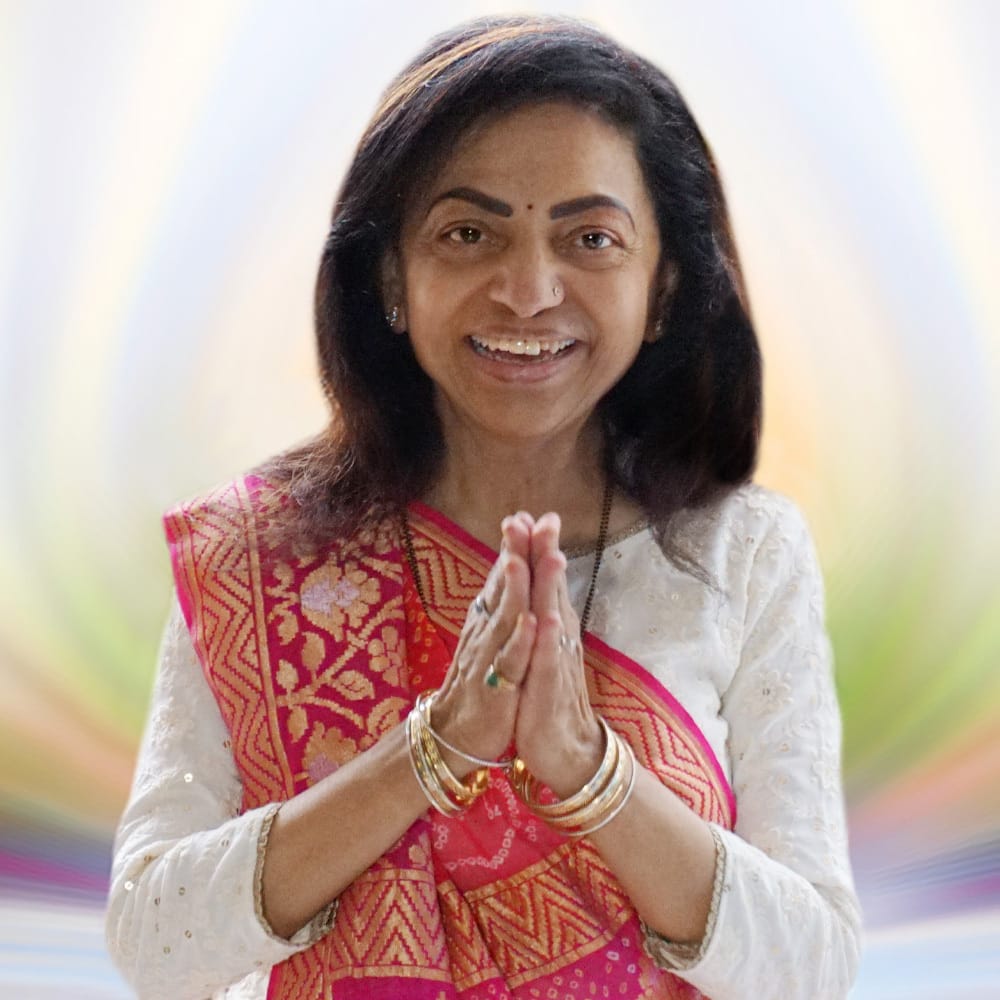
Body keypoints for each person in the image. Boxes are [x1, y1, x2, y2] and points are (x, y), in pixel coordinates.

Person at [106, 14, 861, 1000]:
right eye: (469, 233)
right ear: (392, 276)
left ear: (664, 285)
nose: (528, 291)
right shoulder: (262, 555)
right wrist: (432, 751)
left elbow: (812, 969)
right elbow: (153, 946)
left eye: (590, 238)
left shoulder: (741, 551)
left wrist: (587, 770)